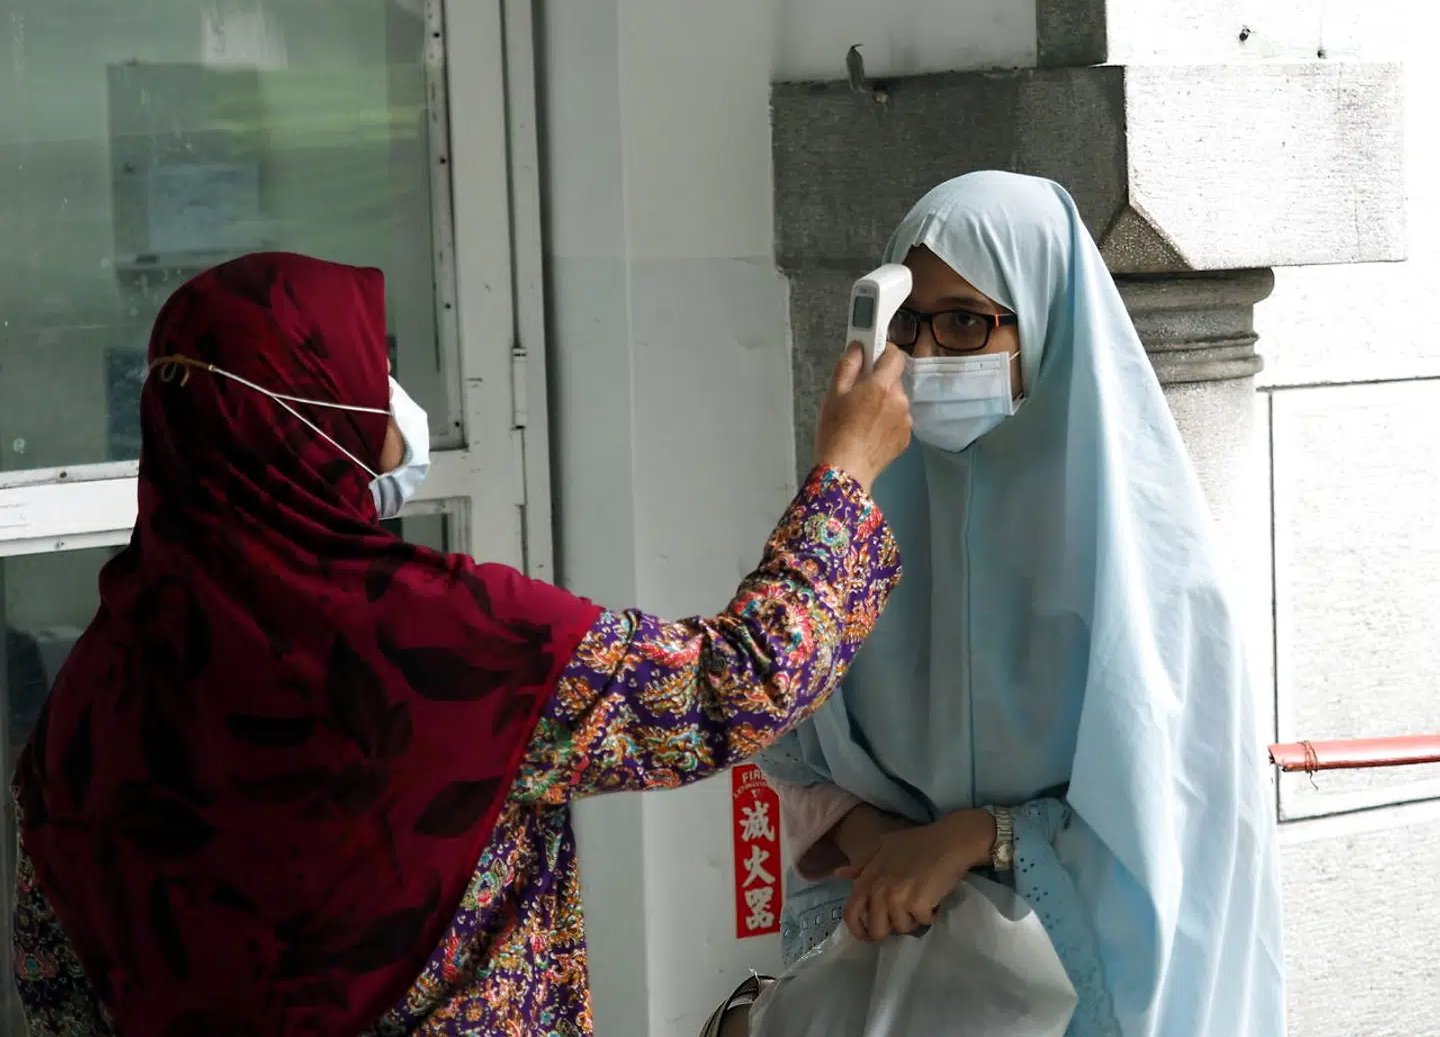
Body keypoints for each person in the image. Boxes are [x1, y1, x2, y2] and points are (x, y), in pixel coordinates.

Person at [8, 252, 912, 1036]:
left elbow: (56, 990)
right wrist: (847, 473)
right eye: (374, 369)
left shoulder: (85, 708)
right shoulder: (446, 645)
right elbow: (735, 685)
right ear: (308, 419)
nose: (395, 400)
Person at [735, 171, 1284, 1036]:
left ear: (1051, 325)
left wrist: (976, 840)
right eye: (906, 325)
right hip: (898, 977)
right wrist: (878, 844)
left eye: (965, 324)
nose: (926, 356)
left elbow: (1182, 819)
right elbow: (784, 742)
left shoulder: (1149, 569)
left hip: (1082, 993)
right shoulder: (856, 522)